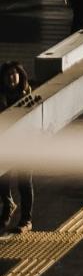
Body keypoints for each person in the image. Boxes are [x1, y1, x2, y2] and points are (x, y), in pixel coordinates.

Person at [0, 63, 34, 233]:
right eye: (7, 75)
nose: (11, 77)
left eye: (14, 73)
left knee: (24, 182)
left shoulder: (27, 95)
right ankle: (8, 206)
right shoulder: (1, 97)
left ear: (20, 75)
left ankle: (26, 220)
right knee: (3, 179)